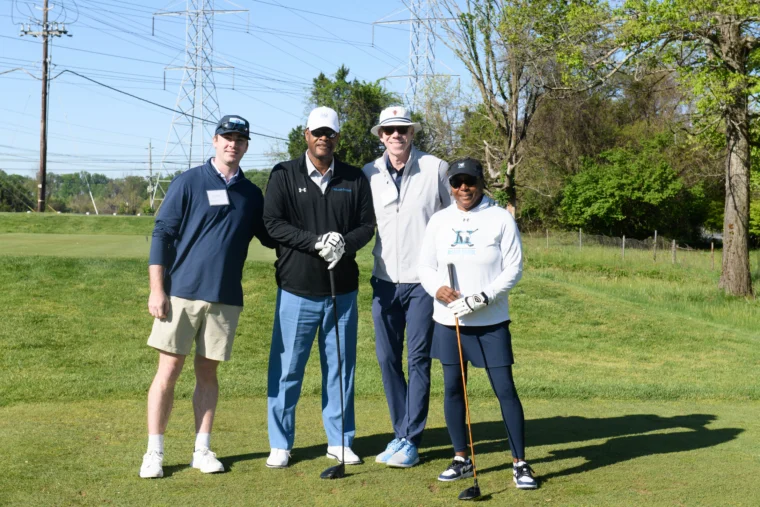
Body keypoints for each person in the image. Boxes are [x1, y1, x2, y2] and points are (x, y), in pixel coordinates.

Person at [139, 115, 276, 479]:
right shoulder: (189, 182)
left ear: (247, 146)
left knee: (208, 375)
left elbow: (272, 235)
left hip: (225, 298)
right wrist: (157, 289)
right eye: (227, 137)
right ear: (214, 141)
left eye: (240, 139)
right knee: (167, 373)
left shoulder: (251, 193)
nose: (233, 143)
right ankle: (154, 451)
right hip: (180, 294)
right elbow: (162, 235)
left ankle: (202, 449)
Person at [263, 106, 375, 469]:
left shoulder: (354, 178)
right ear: (306, 135)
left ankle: (339, 442)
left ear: (337, 138)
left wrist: (344, 242)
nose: (323, 138)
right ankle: (281, 443)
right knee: (287, 369)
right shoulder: (283, 174)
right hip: (296, 288)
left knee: (341, 370)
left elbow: (367, 225)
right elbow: (272, 224)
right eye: (317, 132)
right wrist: (315, 242)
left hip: (341, 291)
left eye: (330, 133)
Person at [418, 158, 538, 489]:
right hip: (449, 319)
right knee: (454, 388)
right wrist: (437, 289)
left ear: (480, 182)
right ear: (450, 186)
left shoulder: (499, 218)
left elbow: (513, 268)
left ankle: (520, 462)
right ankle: (461, 458)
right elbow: (425, 266)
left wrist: (482, 298)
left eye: (469, 181)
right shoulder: (439, 221)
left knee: (505, 390)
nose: (463, 188)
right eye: (456, 182)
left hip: (490, 321)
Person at [361, 106, 450, 468]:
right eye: (389, 130)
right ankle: (400, 433)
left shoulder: (435, 168)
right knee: (386, 359)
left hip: (423, 283)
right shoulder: (370, 173)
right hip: (384, 280)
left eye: (402, 130)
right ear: (381, 136)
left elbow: (455, 212)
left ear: (412, 134)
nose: (396, 135)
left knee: (417, 360)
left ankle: (411, 438)